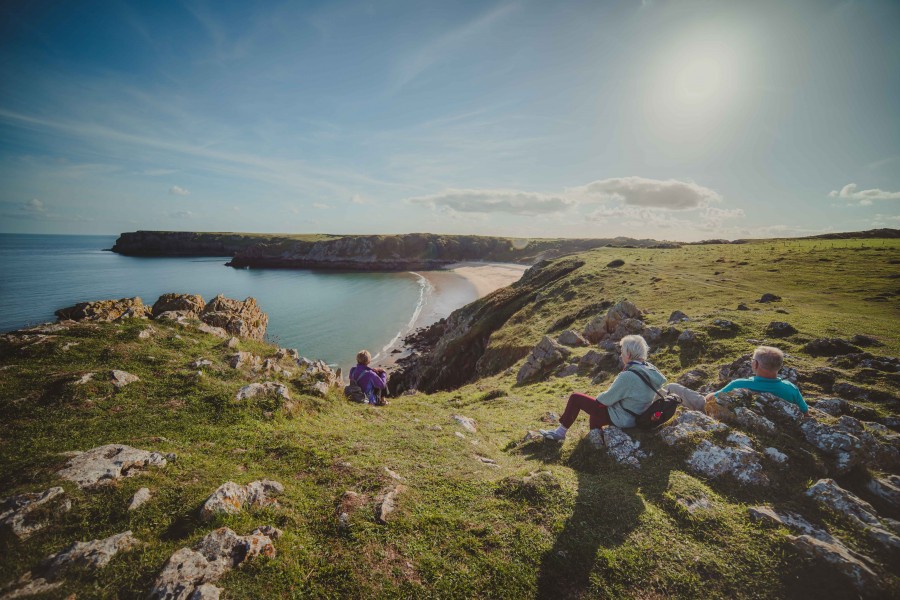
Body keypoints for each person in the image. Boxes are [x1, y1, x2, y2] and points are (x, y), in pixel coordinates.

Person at [540, 334, 666, 441]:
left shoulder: (628, 376)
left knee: (576, 398)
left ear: (628, 353)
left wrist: (599, 397)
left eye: (622, 351)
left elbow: (605, 400)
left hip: (623, 418)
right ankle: (596, 439)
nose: (621, 355)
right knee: (596, 414)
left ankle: (560, 433)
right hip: (636, 415)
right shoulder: (649, 370)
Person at [703, 345, 808, 414]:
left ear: (755, 364)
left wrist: (709, 395)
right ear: (780, 365)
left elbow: (710, 400)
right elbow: (805, 412)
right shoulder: (791, 388)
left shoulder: (739, 384)